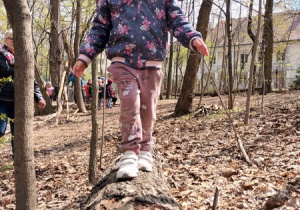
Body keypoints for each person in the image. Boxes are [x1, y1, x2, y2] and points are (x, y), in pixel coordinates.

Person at [73, 0, 208, 179]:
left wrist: (192, 37)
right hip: (122, 61)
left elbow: (177, 20)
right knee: (130, 102)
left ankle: (145, 149)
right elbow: (99, 28)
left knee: (148, 110)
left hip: (152, 63)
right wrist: (85, 56)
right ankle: (129, 153)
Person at [0, 29, 46, 158]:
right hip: (1, 100)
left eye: (16, 38)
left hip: (19, 102)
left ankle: (18, 160)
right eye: (11, 38)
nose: (14, 41)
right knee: (0, 130)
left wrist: (39, 97)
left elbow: (31, 78)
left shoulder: (23, 55)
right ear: (5, 40)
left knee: (19, 134)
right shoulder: (0, 54)